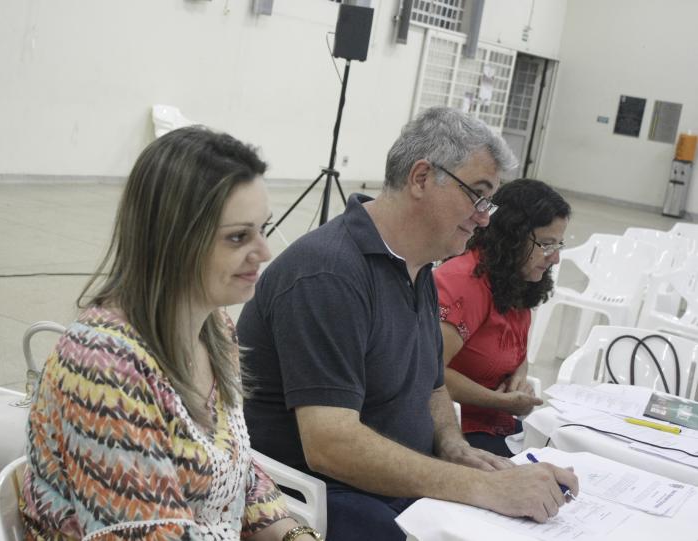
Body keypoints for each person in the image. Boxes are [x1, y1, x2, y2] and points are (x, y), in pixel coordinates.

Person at [237, 107, 579, 541]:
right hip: (321, 498)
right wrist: (483, 487)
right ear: (421, 178)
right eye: (477, 195)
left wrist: (454, 446)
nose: (484, 217)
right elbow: (330, 445)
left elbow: (433, 387)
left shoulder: (417, 267)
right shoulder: (328, 273)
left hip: (394, 485)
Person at [20, 127, 321, 541]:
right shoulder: (103, 365)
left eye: (262, 229)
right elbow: (142, 532)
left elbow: (235, 474)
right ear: (174, 239)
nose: (264, 252)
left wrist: (294, 534)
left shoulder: (216, 330)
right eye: (238, 237)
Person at [434, 179, 571, 457]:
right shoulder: (462, 283)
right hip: (453, 430)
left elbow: (513, 346)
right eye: (546, 244)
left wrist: (519, 374)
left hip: (496, 425)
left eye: (559, 245)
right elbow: (429, 373)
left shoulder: (516, 277)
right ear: (513, 237)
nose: (555, 258)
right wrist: (501, 402)